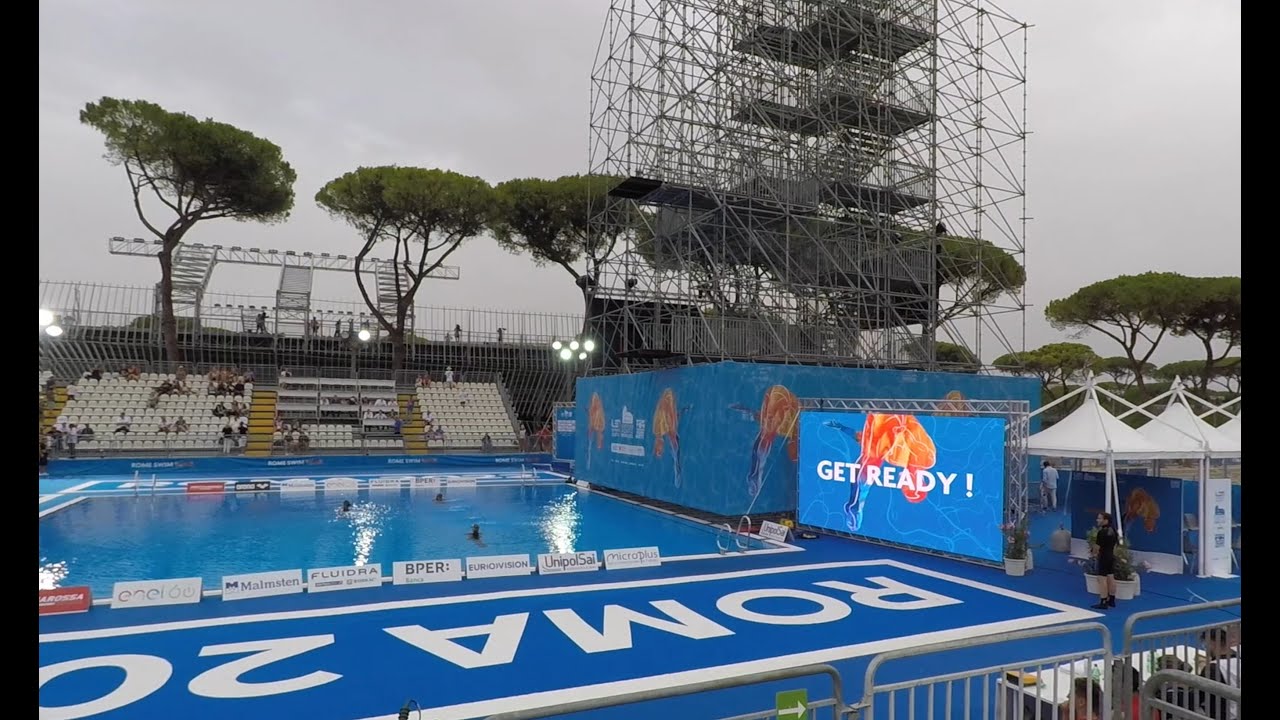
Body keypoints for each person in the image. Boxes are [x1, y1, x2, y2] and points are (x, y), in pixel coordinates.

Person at [1198, 627, 1240, 719]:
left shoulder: (1213, 667)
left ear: (1212, 643)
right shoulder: (1238, 661)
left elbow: (1199, 696)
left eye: (1205, 645)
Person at [1092, 512, 1119, 609]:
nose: (1097, 520)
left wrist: (1094, 554)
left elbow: (1097, 547)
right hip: (1111, 556)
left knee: (1101, 578)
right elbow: (1116, 545)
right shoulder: (1114, 531)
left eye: (1099, 518)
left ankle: (1103, 601)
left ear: (1106, 520)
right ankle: (1112, 600)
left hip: (1103, 557)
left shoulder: (1102, 532)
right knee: (1111, 577)